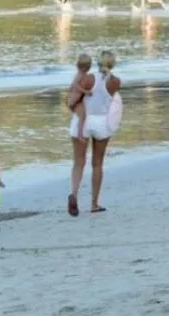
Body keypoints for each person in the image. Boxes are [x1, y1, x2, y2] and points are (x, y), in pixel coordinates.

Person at [67, 50, 121, 216]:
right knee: (97, 164)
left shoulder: (89, 78)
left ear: (97, 63)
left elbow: (72, 95)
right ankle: (94, 204)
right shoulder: (116, 82)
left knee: (78, 162)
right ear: (113, 64)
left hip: (84, 120)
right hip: (102, 122)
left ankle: (74, 194)